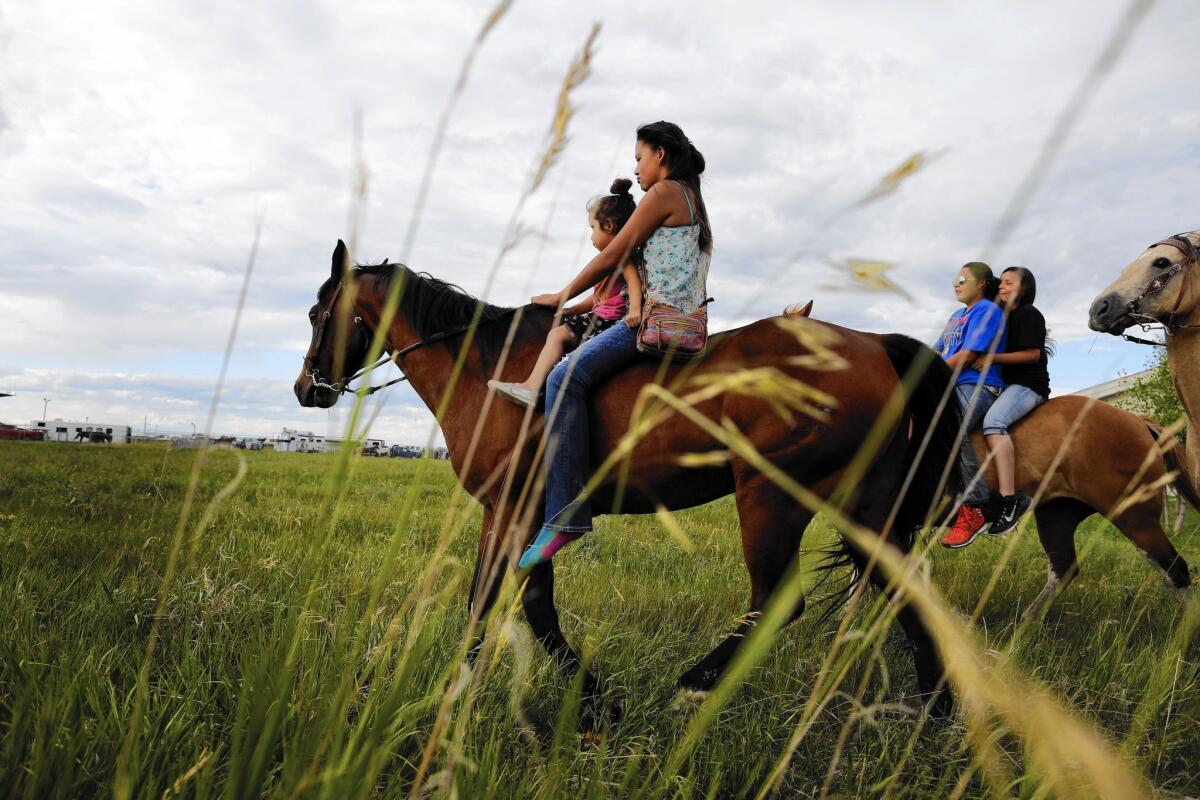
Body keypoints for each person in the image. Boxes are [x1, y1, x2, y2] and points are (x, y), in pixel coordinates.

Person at [518, 121, 712, 569]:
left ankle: (564, 516)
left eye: (639, 157)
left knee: (565, 377)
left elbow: (611, 255)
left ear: (661, 154)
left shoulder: (663, 195)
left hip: (653, 321)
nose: (637, 168)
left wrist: (559, 296)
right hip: (689, 323)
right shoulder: (694, 200)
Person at [488, 179, 643, 407]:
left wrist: (637, 309)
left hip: (607, 322)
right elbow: (599, 298)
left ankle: (531, 387)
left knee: (557, 335)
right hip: (602, 317)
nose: (591, 237)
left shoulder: (621, 256)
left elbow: (633, 283)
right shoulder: (610, 265)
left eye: (593, 228)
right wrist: (570, 309)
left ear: (608, 226)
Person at [974, 267, 1051, 535]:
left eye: (1009, 283)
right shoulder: (1001, 317)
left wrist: (991, 359)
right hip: (1007, 385)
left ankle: (1010, 498)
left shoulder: (1029, 314)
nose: (1003, 287)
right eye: (1001, 283)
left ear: (1024, 288)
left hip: (1029, 385)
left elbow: (1032, 354)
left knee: (994, 422)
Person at [937, 261, 1006, 549]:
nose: (957, 283)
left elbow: (966, 355)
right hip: (951, 384)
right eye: (955, 279)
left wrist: (931, 376)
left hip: (980, 385)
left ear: (981, 284)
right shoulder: (956, 316)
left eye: (963, 279)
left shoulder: (987, 311)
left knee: (954, 426)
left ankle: (975, 505)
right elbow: (937, 350)